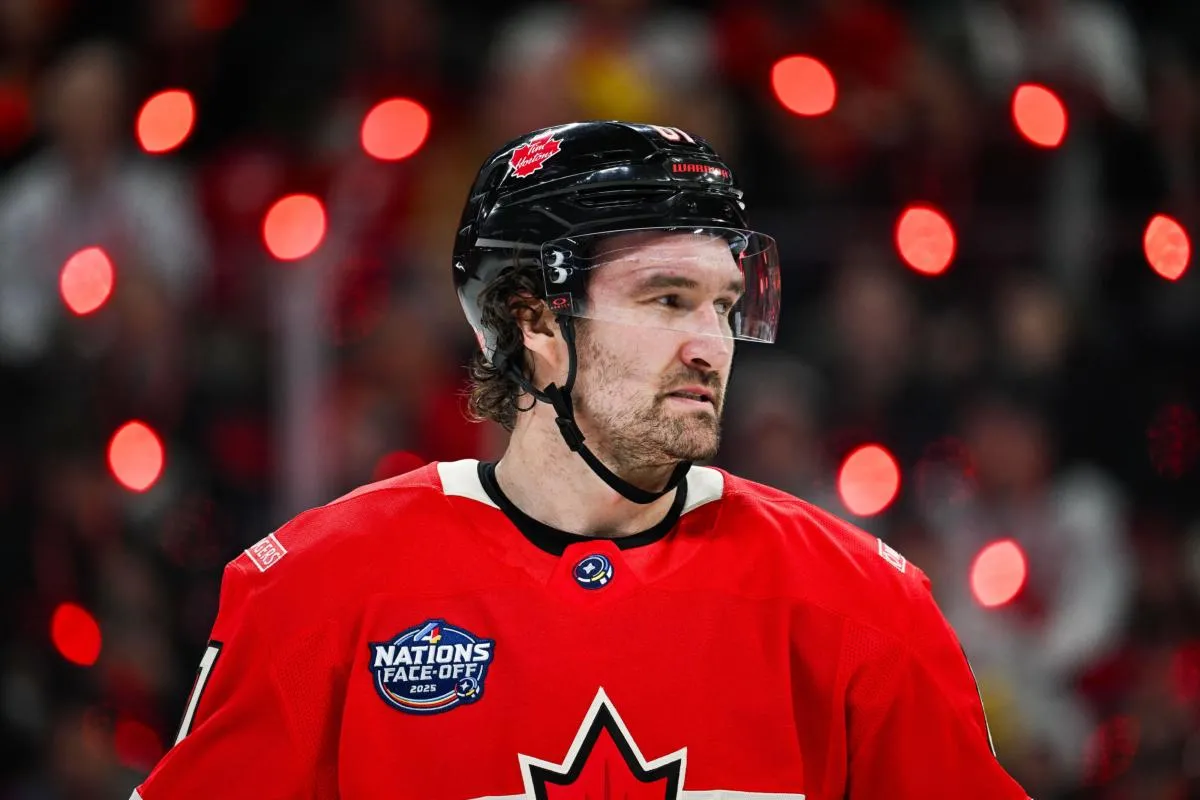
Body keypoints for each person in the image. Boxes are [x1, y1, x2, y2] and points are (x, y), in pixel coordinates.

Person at [130, 122, 1030, 798]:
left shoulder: (863, 605)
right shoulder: (317, 593)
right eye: (667, 298)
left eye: (721, 305)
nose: (710, 344)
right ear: (532, 322)